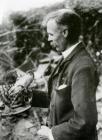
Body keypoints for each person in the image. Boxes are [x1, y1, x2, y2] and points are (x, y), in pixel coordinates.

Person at [11, 9, 98, 140]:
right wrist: (28, 95)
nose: (48, 39)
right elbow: (60, 99)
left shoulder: (82, 67)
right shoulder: (68, 58)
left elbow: (85, 121)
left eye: (51, 34)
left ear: (65, 32)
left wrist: (52, 133)